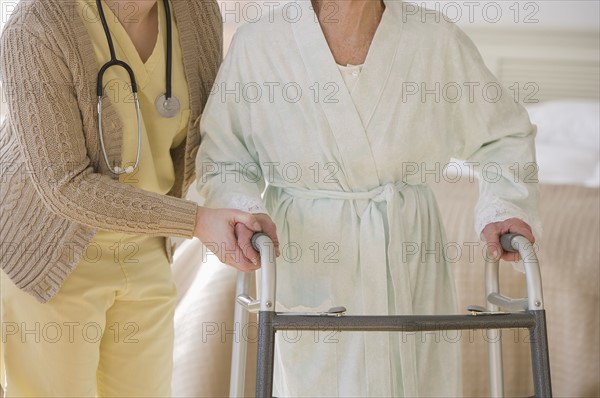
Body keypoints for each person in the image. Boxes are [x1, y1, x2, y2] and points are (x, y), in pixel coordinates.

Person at [196, 0, 540, 396]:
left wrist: (504, 206)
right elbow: (224, 159)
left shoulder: (433, 39)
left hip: (410, 256)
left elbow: (505, 134)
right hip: (308, 259)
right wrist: (245, 213)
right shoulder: (259, 43)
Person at [0, 0, 275, 396]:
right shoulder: (36, 25)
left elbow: (207, 137)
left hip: (144, 252)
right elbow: (65, 184)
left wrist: (244, 203)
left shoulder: (196, 12)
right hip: (51, 257)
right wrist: (197, 221)